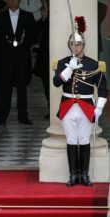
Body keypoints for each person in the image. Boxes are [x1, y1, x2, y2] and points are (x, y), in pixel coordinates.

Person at [53, 16, 107, 187]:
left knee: (84, 140)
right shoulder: (63, 63)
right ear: (69, 46)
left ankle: (84, 175)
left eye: (78, 44)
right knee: (71, 140)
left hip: (86, 106)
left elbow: (103, 88)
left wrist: (98, 108)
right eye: (73, 44)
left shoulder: (94, 64)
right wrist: (70, 67)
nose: (75, 47)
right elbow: (56, 83)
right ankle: (73, 175)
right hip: (68, 105)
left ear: (83, 45)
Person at [0, 0, 36, 125]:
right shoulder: (0, 17)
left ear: (20, 1)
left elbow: (33, 35)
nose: (13, 2)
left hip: (22, 57)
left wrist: (22, 46)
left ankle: (23, 117)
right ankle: (2, 117)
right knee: (5, 88)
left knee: (22, 88)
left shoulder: (28, 16)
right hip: (6, 58)